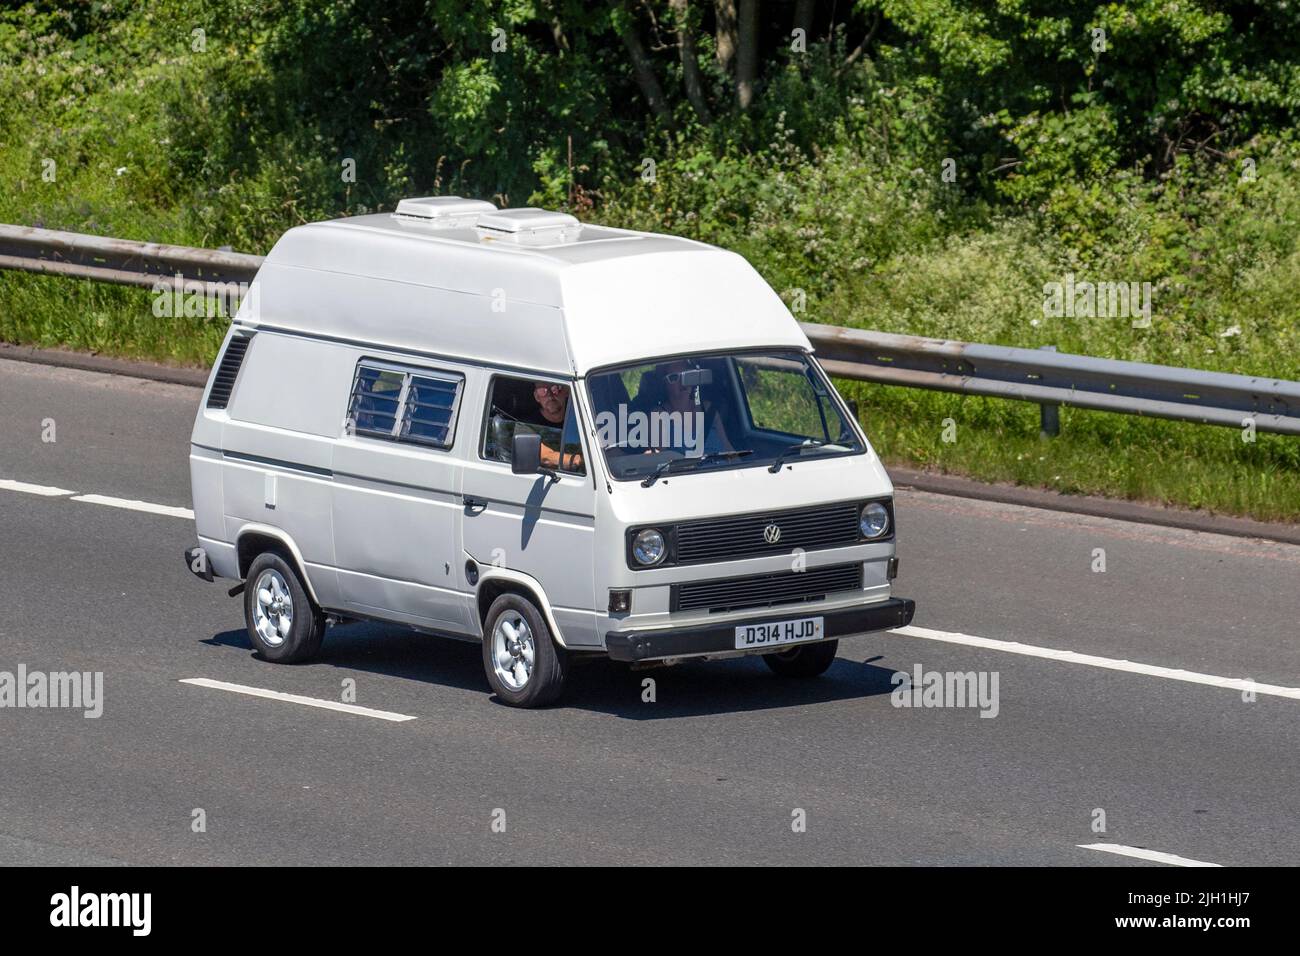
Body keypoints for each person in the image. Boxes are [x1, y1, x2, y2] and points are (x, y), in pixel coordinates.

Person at [531, 381, 583, 471]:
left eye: (556, 389)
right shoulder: (527, 425)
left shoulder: (581, 417)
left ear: (567, 391)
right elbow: (545, 457)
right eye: (543, 391)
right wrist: (580, 460)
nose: (550, 396)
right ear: (537, 396)